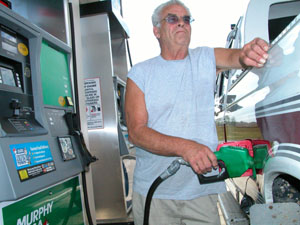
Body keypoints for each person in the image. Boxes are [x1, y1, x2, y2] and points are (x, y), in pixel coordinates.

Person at [125, 0, 269, 224]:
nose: (181, 24)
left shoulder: (205, 58)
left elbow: (236, 57)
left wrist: (247, 53)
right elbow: (136, 132)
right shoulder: (140, 73)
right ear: (156, 31)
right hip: (156, 194)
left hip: (202, 191)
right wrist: (186, 148)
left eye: (186, 19)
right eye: (172, 19)